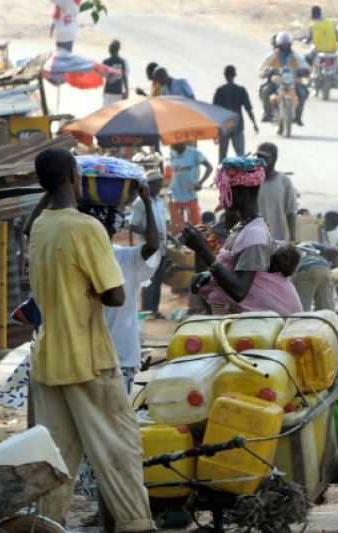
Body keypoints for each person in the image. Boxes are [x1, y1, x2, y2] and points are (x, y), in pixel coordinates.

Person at [27, 147, 154, 531]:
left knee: (58, 456)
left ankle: (47, 524)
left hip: (49, 359)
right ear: (73, 178)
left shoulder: (40, 227)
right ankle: (136, 524)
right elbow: (116, 294)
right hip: (89, 358)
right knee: (120, 446)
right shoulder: (87, 228)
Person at [181, 156, 303, 316]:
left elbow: (239, 291)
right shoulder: (243, 228)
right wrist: (210, 276)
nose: (222, 197)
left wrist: (204, 250)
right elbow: (237, 272)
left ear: (240, 193)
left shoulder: (254, 234)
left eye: (224, 190)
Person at [131, 172, 168, 319]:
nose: (159, 187)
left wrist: (171, 239)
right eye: (157, 185)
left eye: (160, 184)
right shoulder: (140, 203)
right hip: (148, 247)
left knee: (158, 280)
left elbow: (163, 225)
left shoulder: (160, 202)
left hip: (162, 247)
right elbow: (133, 225)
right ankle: (147, 310)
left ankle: (154, 309)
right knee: (149, 280)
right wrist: (149, 234)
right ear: (150, 185)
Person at [258, 31, 309, 126]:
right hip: (275, 80)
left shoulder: (294, 56)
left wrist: (302, 72)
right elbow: (262, 66)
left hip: (291, 80)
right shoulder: (273, 55)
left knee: (302, 93)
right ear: (278, 45)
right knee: (265, 91)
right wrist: (269, 71)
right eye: (283, 44)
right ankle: (267, 113)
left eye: (287, 44)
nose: (285, 47)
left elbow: (304, 66)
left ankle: (298, 117)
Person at [213, 65, 259, 163]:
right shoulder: (241, 90)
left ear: (225, 75)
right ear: (235, 75)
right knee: (240, 153)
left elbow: (215, 112)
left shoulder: (220, 91)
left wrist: (215, 131)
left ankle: (221, 176)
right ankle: (241, 175)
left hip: (224, 126)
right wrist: (254, 124)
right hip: (238, 125)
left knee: (222, 155)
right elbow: (248, 109)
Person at [255, 142, 296, 242]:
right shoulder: (252, 181)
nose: (261, 161)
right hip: (255, 239)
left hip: (278, 239)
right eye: (258, 157)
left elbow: (290, 211)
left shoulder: (284, 181)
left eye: (265, 157)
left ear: (274, 158)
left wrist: (293, 238)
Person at [169, 143, 212, 232]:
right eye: (172, 145)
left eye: (175, 145)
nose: (173, 147)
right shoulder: (172, 153)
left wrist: (200, 182)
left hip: (190, 197)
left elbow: (209, 167)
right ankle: (180, 245)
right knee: (177, 229)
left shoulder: (194, 153)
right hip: (176, 197)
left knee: (197, 227)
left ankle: (198, 244)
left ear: (182, 142)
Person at [292, 241, 338, 312]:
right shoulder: (311, 244)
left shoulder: (291, 250)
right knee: (327, 312)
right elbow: (336, 251)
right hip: (325, 269)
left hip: (307, 269)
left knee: (302, 311)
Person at [303, 5, 338, 79]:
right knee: (335, 61)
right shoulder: (331, 23)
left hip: (319, 50)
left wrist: (305, 41)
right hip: (332, 50)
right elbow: (337, 37)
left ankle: (311, 74)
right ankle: (337, 75)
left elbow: (308, 39)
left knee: (307, 57)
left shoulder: (313, 25)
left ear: (313, 14)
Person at [102, 40, 129, 107]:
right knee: (116, 113)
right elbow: (124, 78)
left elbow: (108, 79)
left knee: (106, 112)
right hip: (118, 92)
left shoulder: (106, 62)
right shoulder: (121, 62)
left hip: (108, 91)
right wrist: (127, 90)